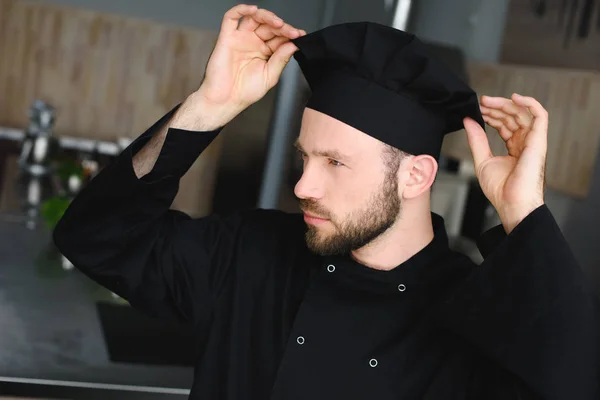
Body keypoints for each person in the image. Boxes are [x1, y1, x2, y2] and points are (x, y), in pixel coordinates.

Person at [53, 4, 599, 400]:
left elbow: (575, 380)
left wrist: (523, 214)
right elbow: (95, 238)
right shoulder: (251, 254)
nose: (302, 186)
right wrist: (205, 110)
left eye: (335, 163)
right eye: (305, 158)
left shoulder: (471, 317)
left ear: (416, 175)